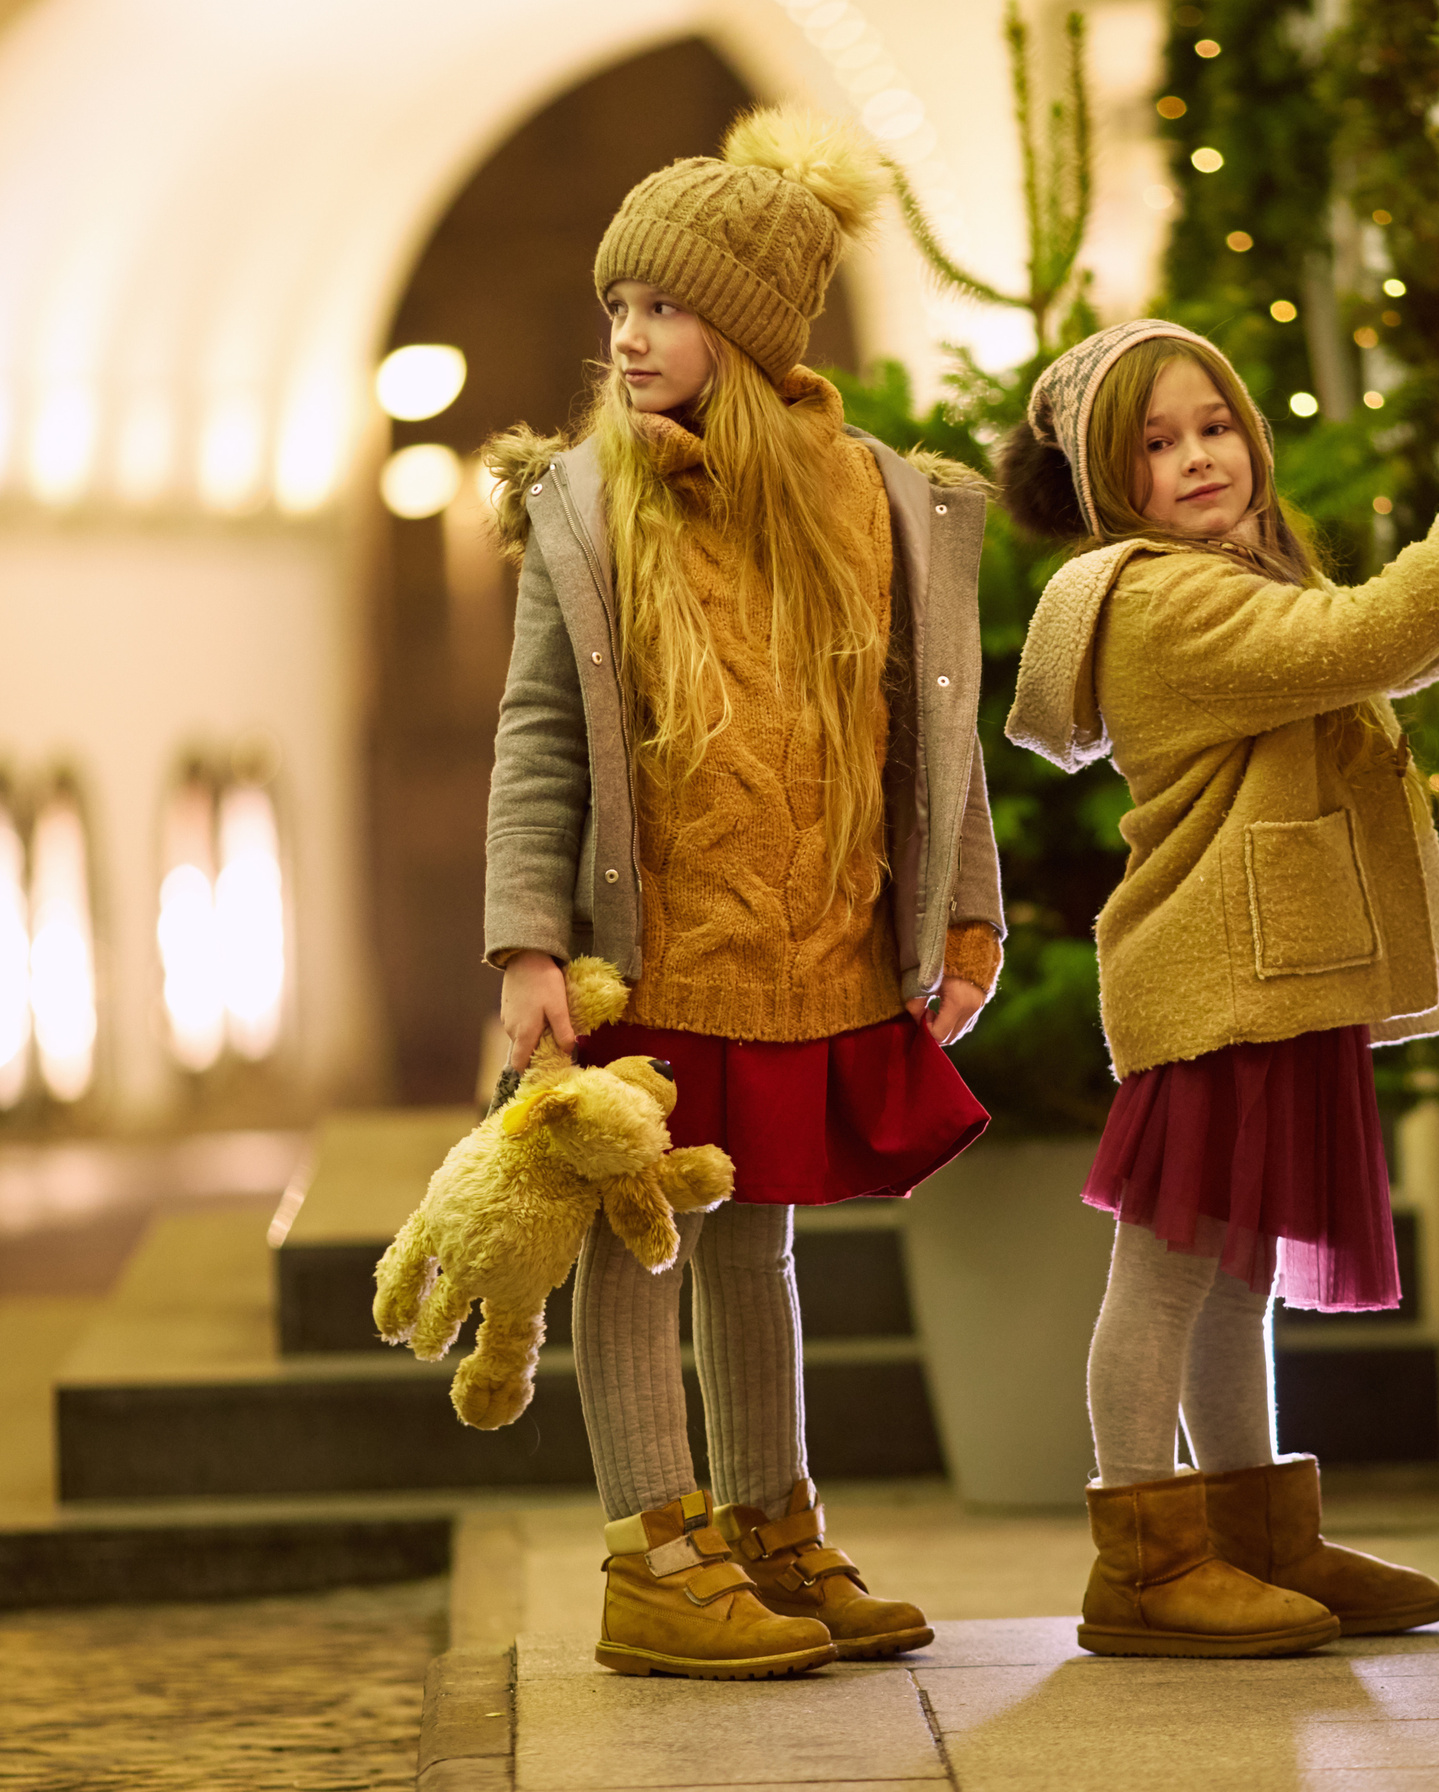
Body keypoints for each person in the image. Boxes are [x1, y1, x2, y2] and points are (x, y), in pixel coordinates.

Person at [480, 106, 1005, 1681]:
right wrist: (526, 945)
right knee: (638, 1242)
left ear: (756, 328)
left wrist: (962, 903)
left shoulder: (880, 498)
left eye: (664, 308)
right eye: (617, 311)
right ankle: (657, 1552)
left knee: (755, 1245)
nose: (629, 339)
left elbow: (938, 722)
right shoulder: (587, 507)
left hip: (809, 934)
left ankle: (772, 1527)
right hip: (653, 950)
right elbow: (537, 733)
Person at [1000, 320, 1439, 1658]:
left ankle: (1256, 1536)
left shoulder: (1236, 571)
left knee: (1236, 1266)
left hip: (1268, 964)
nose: (1198, 457)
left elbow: (1379, 648)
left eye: (1213, 425)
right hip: (1219, 969)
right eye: (1155, 444)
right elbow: (1371, 636)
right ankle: (1144, 1556)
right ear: (1107, 483)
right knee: (1169, 1268)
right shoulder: (1161, 597)